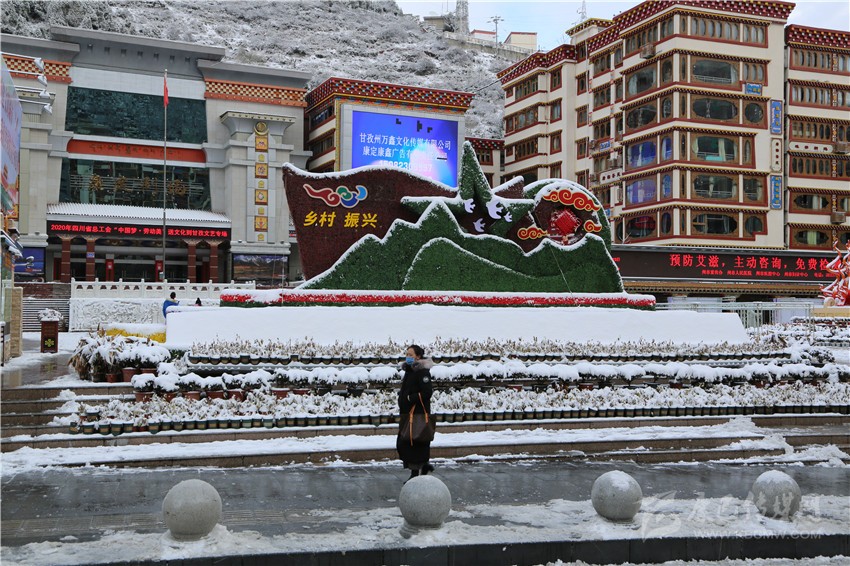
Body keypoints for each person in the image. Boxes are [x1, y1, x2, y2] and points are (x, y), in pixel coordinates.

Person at [396, 344, 434, 482]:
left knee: (415, 442)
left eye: (411, 355)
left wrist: (409, 398)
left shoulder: (422, 372)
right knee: (406, 443)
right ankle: (422, 467)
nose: (408, 357)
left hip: (417, 414)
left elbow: (427, 392)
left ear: (418, 356)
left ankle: (416, 473)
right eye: (407, 354)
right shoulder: (409, 370)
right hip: (407, 414)